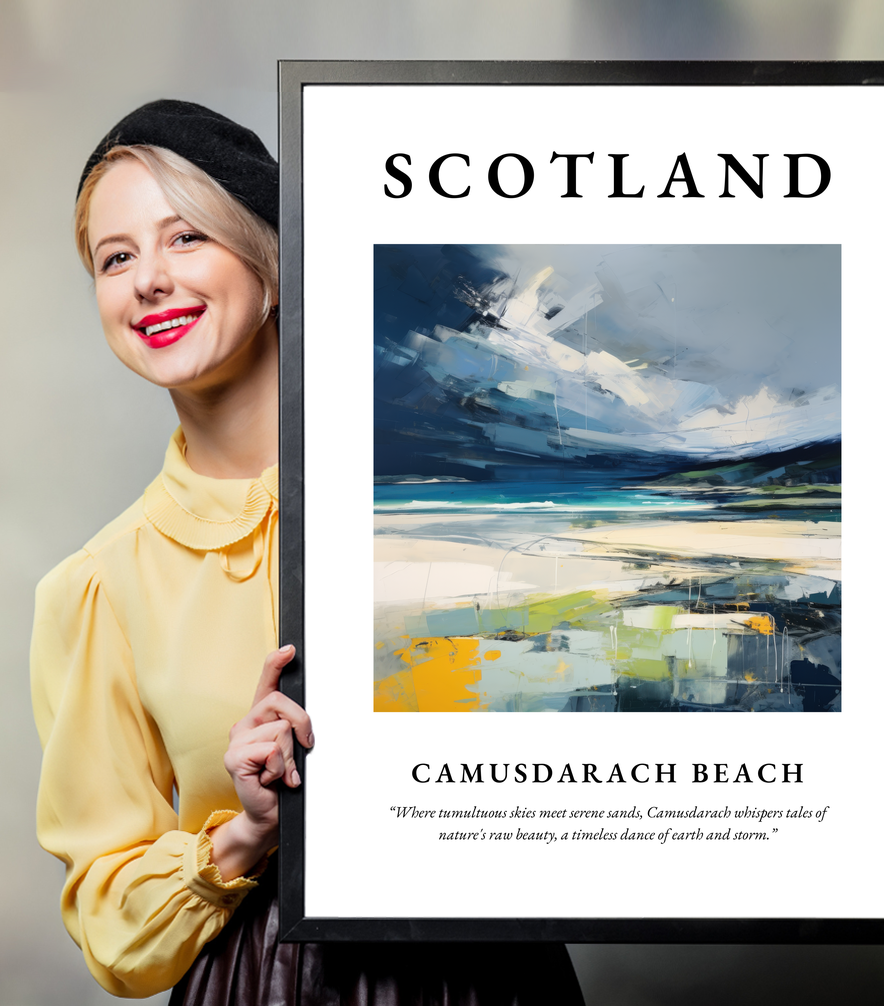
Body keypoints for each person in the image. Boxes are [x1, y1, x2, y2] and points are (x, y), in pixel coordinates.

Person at [30, 100, 585, 1004]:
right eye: (116, 257)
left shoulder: (459, 499)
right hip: (263, 982)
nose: (148, 281)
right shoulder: (97, 587)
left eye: (186, 239)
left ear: (274, 264)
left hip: (492, 973)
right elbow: (110, 924)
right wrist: (245, 832)